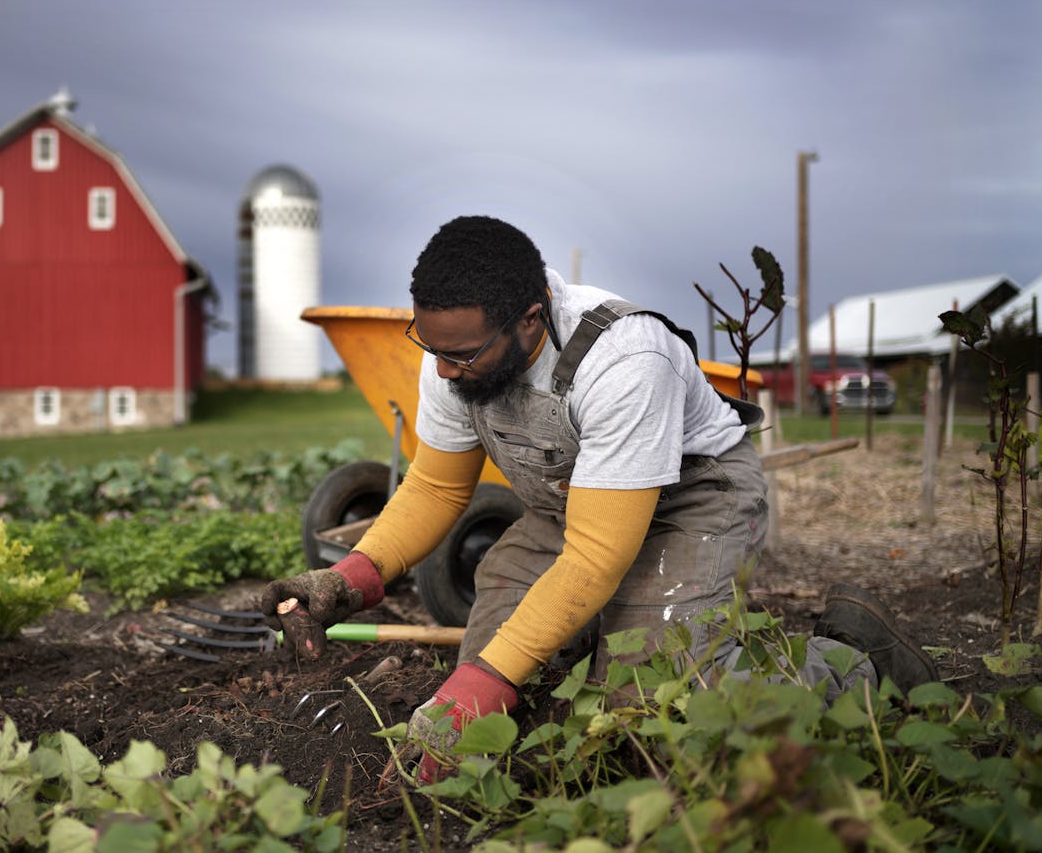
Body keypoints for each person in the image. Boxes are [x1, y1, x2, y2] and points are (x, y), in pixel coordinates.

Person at [262, 215, 937, 781]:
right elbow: (437, 485)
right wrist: (351, 578)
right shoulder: (452, 351)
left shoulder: (622, 357)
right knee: (501, 658)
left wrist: (486, 681)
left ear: (531, 319)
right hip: (575, 504)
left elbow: (596, 552)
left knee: (662, 692)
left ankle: (855, 661)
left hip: (694, 496)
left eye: (461, 355)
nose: (442, 370)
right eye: (431, 347)